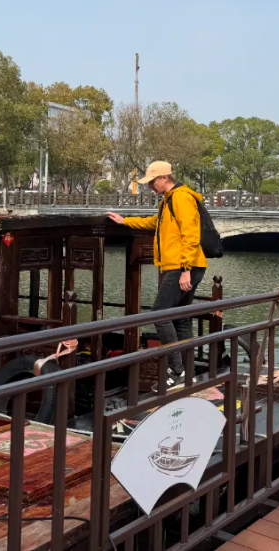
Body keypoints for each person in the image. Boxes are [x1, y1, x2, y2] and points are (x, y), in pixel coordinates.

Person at [106, 161, 207, 389]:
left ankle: (178, 370)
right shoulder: (169, 200)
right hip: (184, 265)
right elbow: (156, 223)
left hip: (182, 266)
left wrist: (185, 270)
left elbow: (191, 234)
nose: (150, 186)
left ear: (164, 178)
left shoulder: (180, 197)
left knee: (160, 315)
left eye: (152, 181)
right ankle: (186, 371)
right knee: (180, 318)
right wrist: (125, 221)